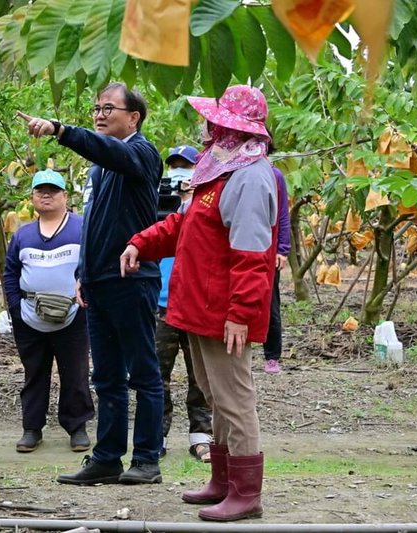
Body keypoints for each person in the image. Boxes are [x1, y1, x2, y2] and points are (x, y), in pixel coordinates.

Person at [121, 85, 277, 521]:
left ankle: (246, 493)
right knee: (215, 395)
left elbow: (251, 255)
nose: (208, 128)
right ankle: (223, 481)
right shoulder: (219, 170)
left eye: (217, 121)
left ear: (234, 126)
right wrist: (141, 243)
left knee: (234, 398)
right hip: (199, 308)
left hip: (225, 312)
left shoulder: (249, 175)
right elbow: (182, 225)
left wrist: (241, 315)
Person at [20, 82, 164, 485]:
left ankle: (148, 458)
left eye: (109, 108)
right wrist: (83, 273)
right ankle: (106, 458)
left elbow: (110, 151)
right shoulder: (100, 168)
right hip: (99, 283)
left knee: (144, 374)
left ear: (133, 117)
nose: (99, 114)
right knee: (106, 377)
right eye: (96, 108)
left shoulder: (140, 153)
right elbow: (95, 225)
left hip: (133, 280)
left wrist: (61, 130)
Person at [3, 169, 94, 454]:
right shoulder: (23, 234)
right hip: (30, 316)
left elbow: (93, 265)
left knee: (76, 373)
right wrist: (16, 308)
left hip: (73, 315)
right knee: (34, 373)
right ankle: (32, 429)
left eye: (53, 190)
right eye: (40, 190)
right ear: (32, 197)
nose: (46, 195)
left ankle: (77, 427)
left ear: (65, 196)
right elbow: (10, 273)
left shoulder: (81, 228)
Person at [155, 145, 213, 462]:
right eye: (175, 167)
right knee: (156, 376)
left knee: (200, 376)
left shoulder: (207, 209)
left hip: (196, 305)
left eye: (187, 167)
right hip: (160, 305)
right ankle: (156, 436)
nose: (181, 173)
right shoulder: (158, 205)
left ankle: (201, 436)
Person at [263, 141, 290, 375]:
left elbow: (282, 213)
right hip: (240, 247)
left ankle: (272, 356)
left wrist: (282, 249)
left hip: (269, 250)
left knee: (270, 303)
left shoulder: (274, 175)